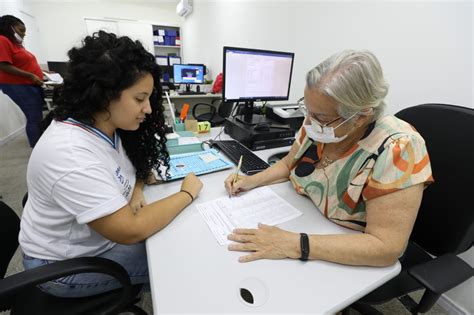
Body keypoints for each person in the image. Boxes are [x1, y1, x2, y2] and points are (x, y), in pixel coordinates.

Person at [19, 31, 203, 298]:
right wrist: (186, 193)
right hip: (62, 267)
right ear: (105, 95)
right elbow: (130, 229)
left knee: (176, 239)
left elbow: (131, 169)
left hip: (96, 242)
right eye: (140, 99)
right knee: (179, 263)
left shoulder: (108, 126)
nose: (149, 109)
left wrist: (137, 189)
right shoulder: (70, 153)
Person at [225, 50, 433, 267]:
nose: (309, 121)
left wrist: (295, 243)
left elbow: (387, 247)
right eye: (308, 110)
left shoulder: (399, 148)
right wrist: (250, 181)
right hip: (303, 218)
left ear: (360, 117)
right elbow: (288, 164)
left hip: (338, 249)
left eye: (320, 116)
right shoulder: (317, 126)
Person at [0, 15, 44, 147]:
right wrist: (31, 75)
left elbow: (24, 63)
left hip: (28, 84)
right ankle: (37, 148)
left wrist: (43, 73)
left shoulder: (16, 44)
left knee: (36, 117)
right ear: (10, 28)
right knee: (34, 117)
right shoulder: (2, 40)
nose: (24, 34)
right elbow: (3, 65)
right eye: (21, 30)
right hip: (18, 85)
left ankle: (40, 145)